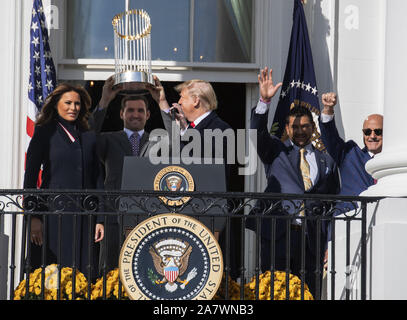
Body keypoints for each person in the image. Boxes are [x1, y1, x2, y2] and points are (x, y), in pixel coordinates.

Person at [249, 67, 340, 298]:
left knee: (309, 291)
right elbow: (256, 133)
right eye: (295, 127)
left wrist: (331, 239)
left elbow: (332, 203)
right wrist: (264, 102)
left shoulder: (326, 159)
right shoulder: (275, 151)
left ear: (313, 127)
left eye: (305, 126)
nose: (300, 131)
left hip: (311, 238)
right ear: (287, 129)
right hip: (279, 232)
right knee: (273, 290)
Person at [90, 76, 171, 274]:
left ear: (148, 114)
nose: (136, 115)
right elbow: (87, 138)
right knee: (110, 272)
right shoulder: (108, 139)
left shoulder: (158, 140)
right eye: (131, 110)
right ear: (121, 113)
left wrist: (162, 102)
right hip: (113, 216)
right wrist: (104, 102)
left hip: (148, 216)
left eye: (140, 110)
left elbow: (179, 140)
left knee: (146, 271)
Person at [24, 83, 104, 280]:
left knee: (85, 272)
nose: (73, 108)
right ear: (56, 104)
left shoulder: (89, 135)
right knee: (52, 274)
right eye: (68, 102)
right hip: (53, 214)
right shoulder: (44, 131)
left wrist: (100, 218)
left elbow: (98, 178)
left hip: (85, 215)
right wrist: (33, 216)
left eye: (77, 104)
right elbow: (31, 175)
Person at [319, 92, 383, 199]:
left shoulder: (393, 159)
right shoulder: (350, 154)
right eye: (367, 132)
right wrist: (328, 110)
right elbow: (330, 139)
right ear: (363, 133)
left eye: (378, 131)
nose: (372, 136)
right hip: (351, 213)